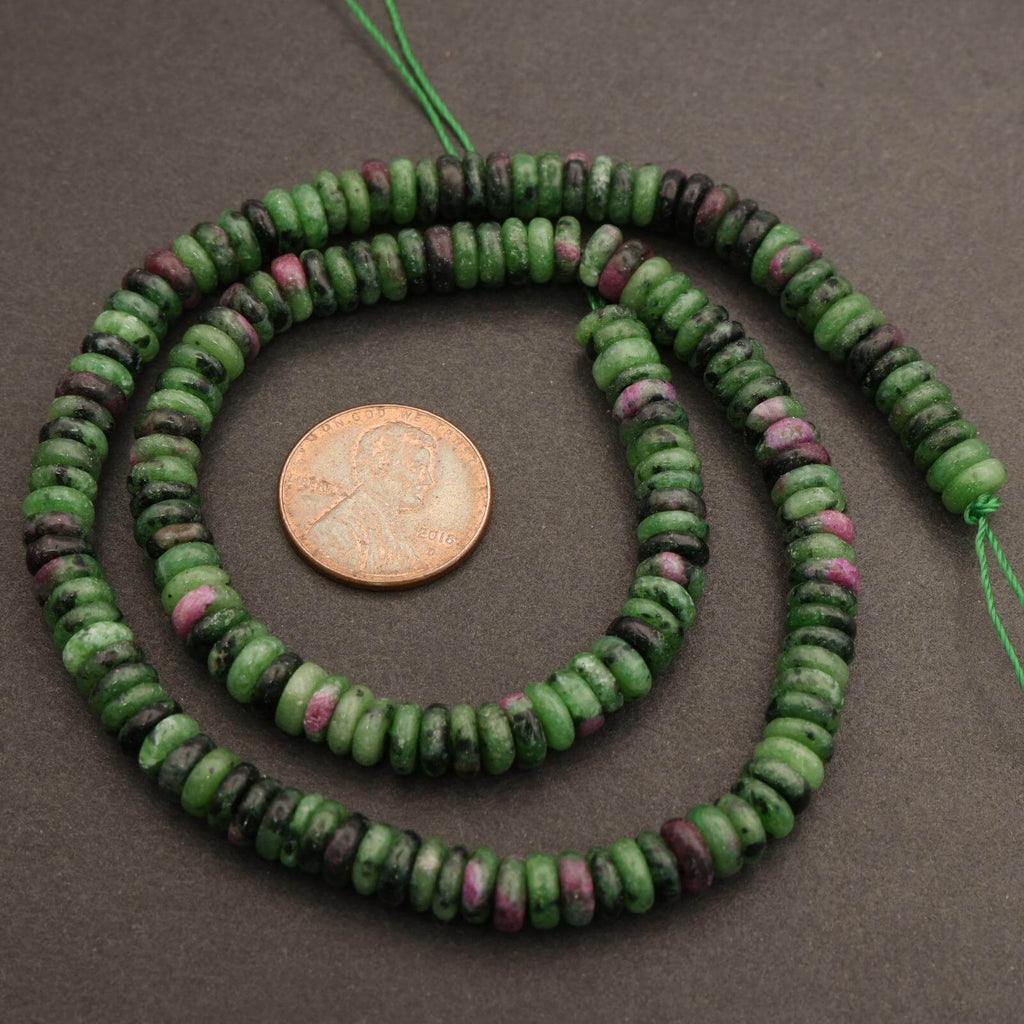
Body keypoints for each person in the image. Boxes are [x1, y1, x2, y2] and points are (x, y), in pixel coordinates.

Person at [303, 420, 439, 575]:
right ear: (380, 466)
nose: (427, 480)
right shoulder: (336, 531)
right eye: (416, 467)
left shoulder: (387, 525)